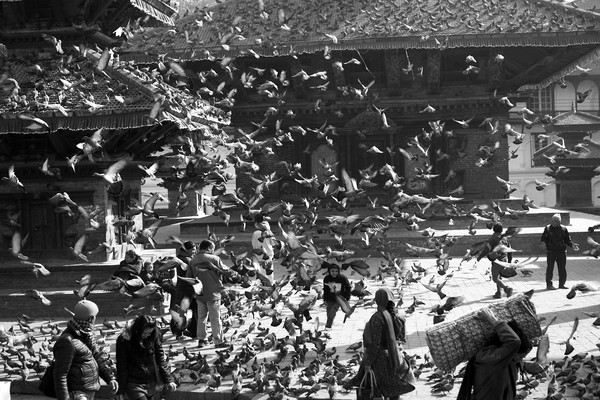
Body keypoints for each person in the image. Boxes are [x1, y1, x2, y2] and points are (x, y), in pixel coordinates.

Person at [349, 288, 415, 400]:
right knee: (394, 387)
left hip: (381, 358)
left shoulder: (378, 317)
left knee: (376, 386)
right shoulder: (399, 316)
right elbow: (402, 338)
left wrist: (368, 363)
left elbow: (375, 343)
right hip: (395, 355)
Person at [457, 309, 533, 400]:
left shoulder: (507, 359)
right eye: (521, 355)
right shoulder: (491, 357)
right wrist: (492, 320)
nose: (522, 358)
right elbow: (514, 341)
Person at [53, 300, 119, 400]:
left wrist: (109, 378)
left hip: (88, 390)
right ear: (91, 319)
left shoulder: (87, 334)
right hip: (77, 394)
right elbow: (60, 374)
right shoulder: (67, 341)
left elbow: (97, 357)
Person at [115, 315, 176, 400]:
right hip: (133, 383)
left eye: (149, 333)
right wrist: (121, 390)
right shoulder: (124, 339)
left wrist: (168, 380)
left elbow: (160, 359)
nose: (147, 336)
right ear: (137, 330)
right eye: (144, 333)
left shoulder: (154, 336)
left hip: (151, 381)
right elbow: (121, 365)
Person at [187, 239, 230, 348]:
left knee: (201, 317)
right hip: (213, 293)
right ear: (209, 248)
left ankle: (202, 340)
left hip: (200, 294)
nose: (213, 251)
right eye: (213, 248)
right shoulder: (215, 259)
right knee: (215, 318)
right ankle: (218, 341)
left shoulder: (193, 261)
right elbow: (224, 272)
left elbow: (189, 277)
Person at [540, 213, 579, 290]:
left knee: (562, 268)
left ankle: (562, 284)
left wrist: (572, 245)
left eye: (556, 221)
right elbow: (543, 238)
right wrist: (543, 243)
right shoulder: (547, 228)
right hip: (551, 251)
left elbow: (568, 240)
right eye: (553, 220)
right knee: (550, 268)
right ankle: (549, 284)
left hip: (561, 251)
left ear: (559, 222)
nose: (554, 222)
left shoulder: (564, 229)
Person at [477, 223, 514, 299]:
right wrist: (509, 262)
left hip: (497, 261)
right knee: (499, 276)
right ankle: (498, 293)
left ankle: (506, 288)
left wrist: (480, 256)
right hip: (505, 259)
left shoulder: (493, 239)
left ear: (494, 230)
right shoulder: (505, 238)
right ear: (501, 230)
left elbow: (487, 249)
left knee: (495, 278)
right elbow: (510, 250)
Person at [170, 241, 197, 339]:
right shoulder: (187, 260)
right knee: (186, 310)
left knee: (181, 309)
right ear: (187, 250)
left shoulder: (180, 258)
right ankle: (181, 332)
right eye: (193, 250)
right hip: (187, 288)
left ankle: (180, 331)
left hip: (181, 287)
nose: (194, 251)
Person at [322, 262, 352, 329]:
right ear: (329, 271)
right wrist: (325, 299)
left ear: (338, 271)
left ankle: (328, 326)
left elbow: (348, 287)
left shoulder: (342, 278)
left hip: (339, 298)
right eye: (332, 271)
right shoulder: (327, 278)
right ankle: (330, 321)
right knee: (329, 312)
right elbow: (325, 289)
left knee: (332, 312)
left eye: (336, 271)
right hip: (330, 298)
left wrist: (347, 297)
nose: (334, 273)